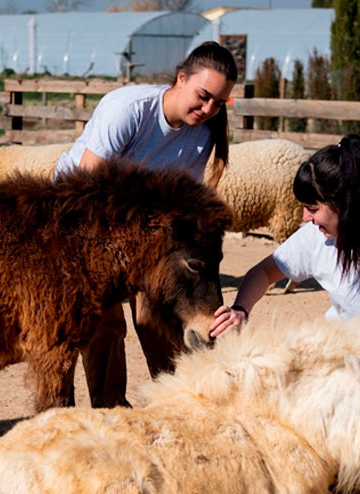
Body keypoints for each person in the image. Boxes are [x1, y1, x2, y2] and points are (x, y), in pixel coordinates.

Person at [210, 134, 360, 426]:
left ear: (349, 202)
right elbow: (264, 273)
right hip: (343, 358)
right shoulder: (317, 238)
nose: (304, 218)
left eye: (313, 208)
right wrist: (240, 310)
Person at [54, 41, 238, 409]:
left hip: (144, 228)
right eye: (203, 97)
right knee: (106, 322)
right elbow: (85, 189)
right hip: (85, 218)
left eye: (218, 104)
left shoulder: (201, 136)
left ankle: (176, 402)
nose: (207, 110)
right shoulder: (128, 110)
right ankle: (111, 411)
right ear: (181, 78)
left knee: (158, 310)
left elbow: (179, 204)